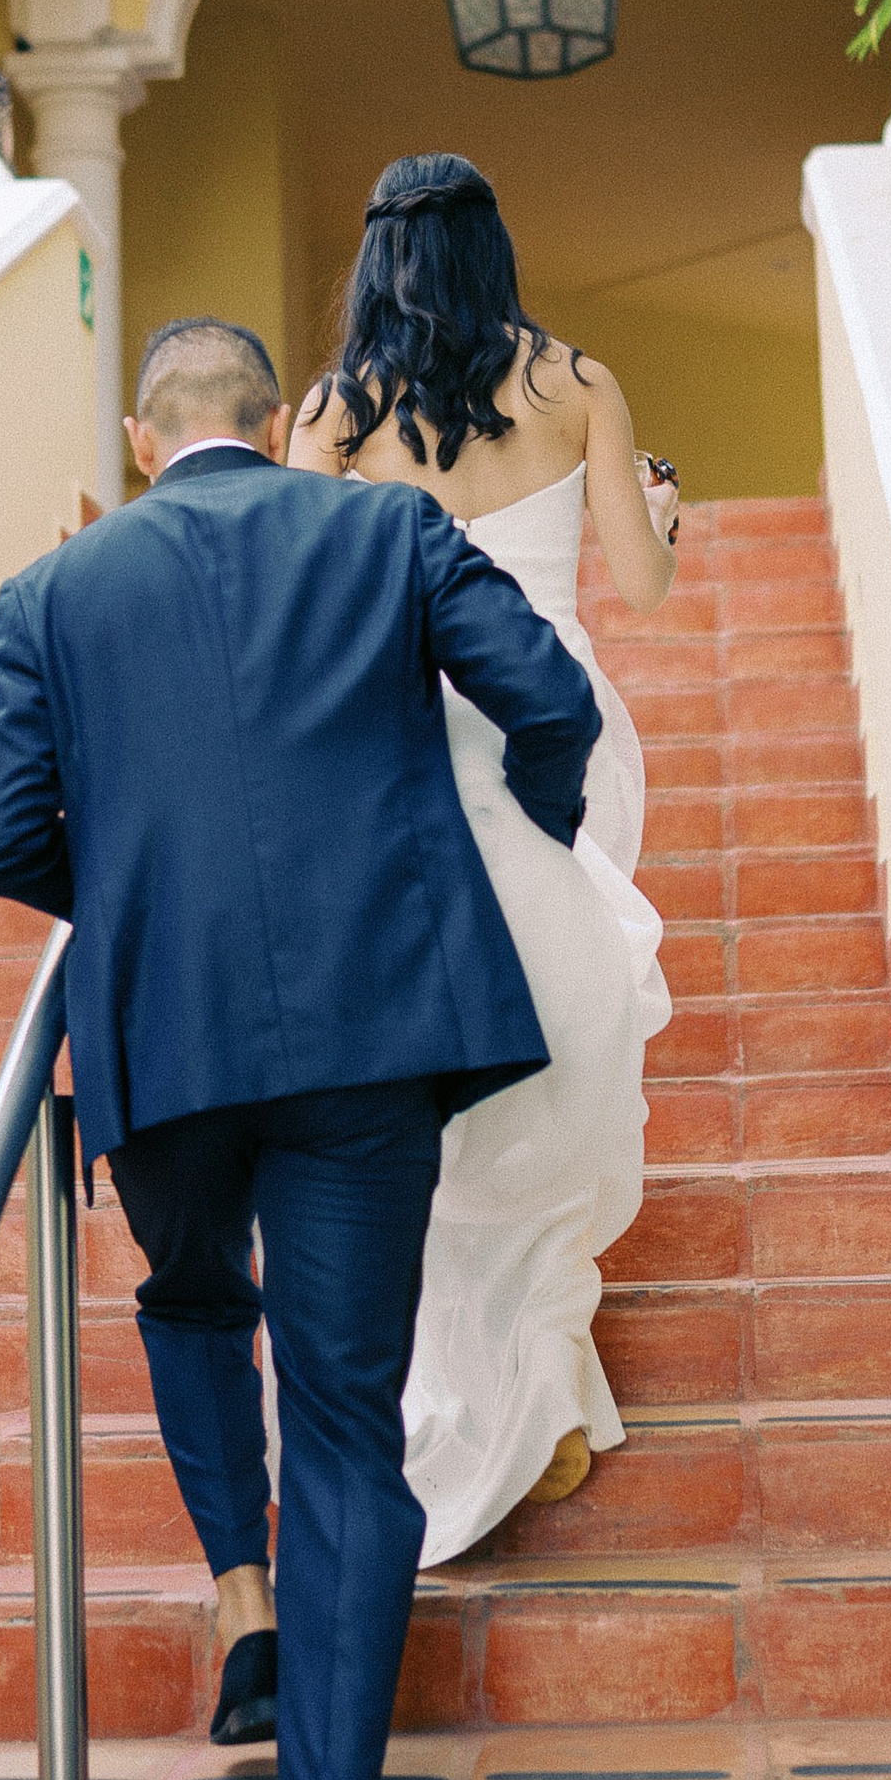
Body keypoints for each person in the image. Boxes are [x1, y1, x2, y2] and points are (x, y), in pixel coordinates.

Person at [0, 313, 601, 1780]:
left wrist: (145, 904)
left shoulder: (56, 593)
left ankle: (241, 1598)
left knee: (185, 1295)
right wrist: (528, 831)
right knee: (351, 1426)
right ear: (280, 420)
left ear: (143, 434)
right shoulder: (384, 528)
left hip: (172, 1038)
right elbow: (548, 699)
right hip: (377, 1025)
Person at [291, 155, 679, 1557]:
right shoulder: (575, 384)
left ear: (377, 261)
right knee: (569, 1027)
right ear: (491, 252)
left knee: (436, 1060)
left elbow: (306, 603)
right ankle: (547, 1365)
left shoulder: (335, 418)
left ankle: (473, 1379)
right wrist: (659, 511)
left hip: (412, 741)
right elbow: (640, 584)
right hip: (558, 729)